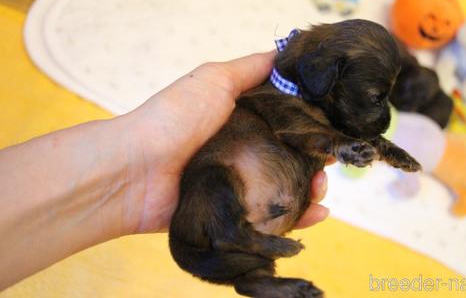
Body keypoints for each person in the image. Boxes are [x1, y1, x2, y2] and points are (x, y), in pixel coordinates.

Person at [0, 51, 330, 290]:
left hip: (254, 198)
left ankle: (255, 279)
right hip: (230, 186)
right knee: (214, 185)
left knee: (223, 221)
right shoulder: (286, 82)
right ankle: (250, 262)